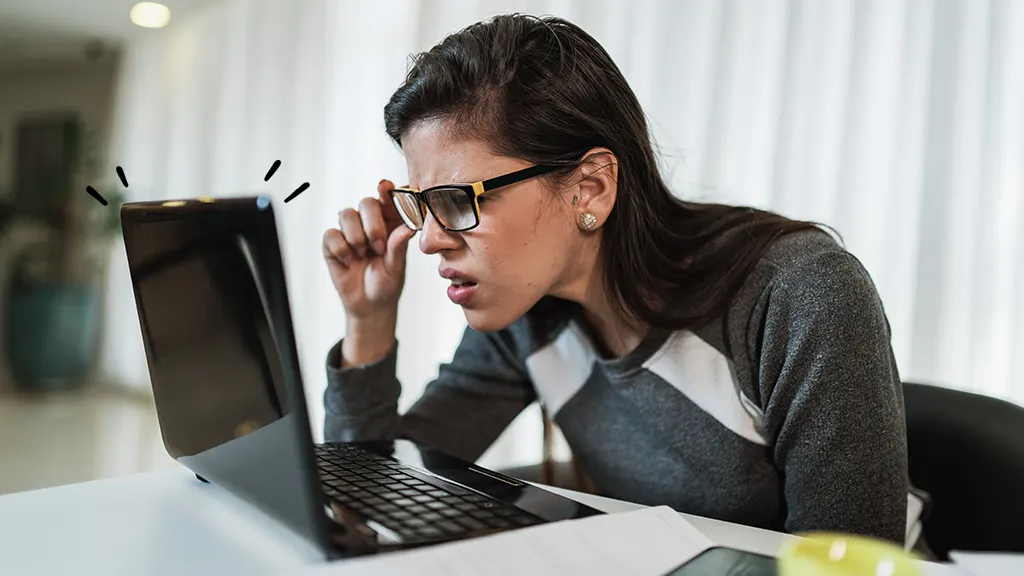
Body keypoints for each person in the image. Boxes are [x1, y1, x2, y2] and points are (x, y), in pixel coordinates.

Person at [321, 13, 920, 548]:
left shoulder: (799, 295)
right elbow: (369, 498)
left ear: (591, 188)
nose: (428, 238)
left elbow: (849, 566)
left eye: (457, 200)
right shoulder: (526, 314)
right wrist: (368, 324)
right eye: (420, 203)